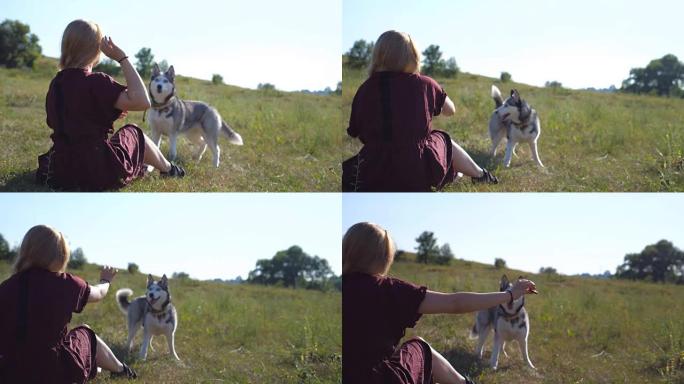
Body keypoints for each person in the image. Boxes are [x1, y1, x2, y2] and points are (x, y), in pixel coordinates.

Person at [343, 222, 537, 384]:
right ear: (385, 258)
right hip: (379, 379)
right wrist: (510, 295)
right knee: (420, 347)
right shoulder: (390, 290)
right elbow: (455, 303)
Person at [36, 19, 185, 191]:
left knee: (111, 141)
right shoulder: (97, 81)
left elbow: (72, 117)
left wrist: (106, 111)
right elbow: (144, 101)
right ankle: (169, 169)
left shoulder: (57, 83)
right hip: (96, 171)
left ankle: (157, 167)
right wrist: (122, 58)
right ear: (96, 49)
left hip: (59, 170)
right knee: (134, 133)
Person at [343, 30, 498, 192]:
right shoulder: (425, 84)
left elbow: (355, 131)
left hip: (372, 173)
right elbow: (450, 110)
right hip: (416, 171)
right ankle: (481, 175)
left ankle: (458, 174)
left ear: (378, 55)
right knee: (442, 139)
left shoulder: (366, 88)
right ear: (413, 56)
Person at [0, 225, 137, 383]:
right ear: (60, 255)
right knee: (86, 333)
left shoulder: (6, 287)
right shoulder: (66, 283)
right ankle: (122, 370)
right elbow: (99, 293)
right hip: (55, 373)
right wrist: (105, 280)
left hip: (10, 374)